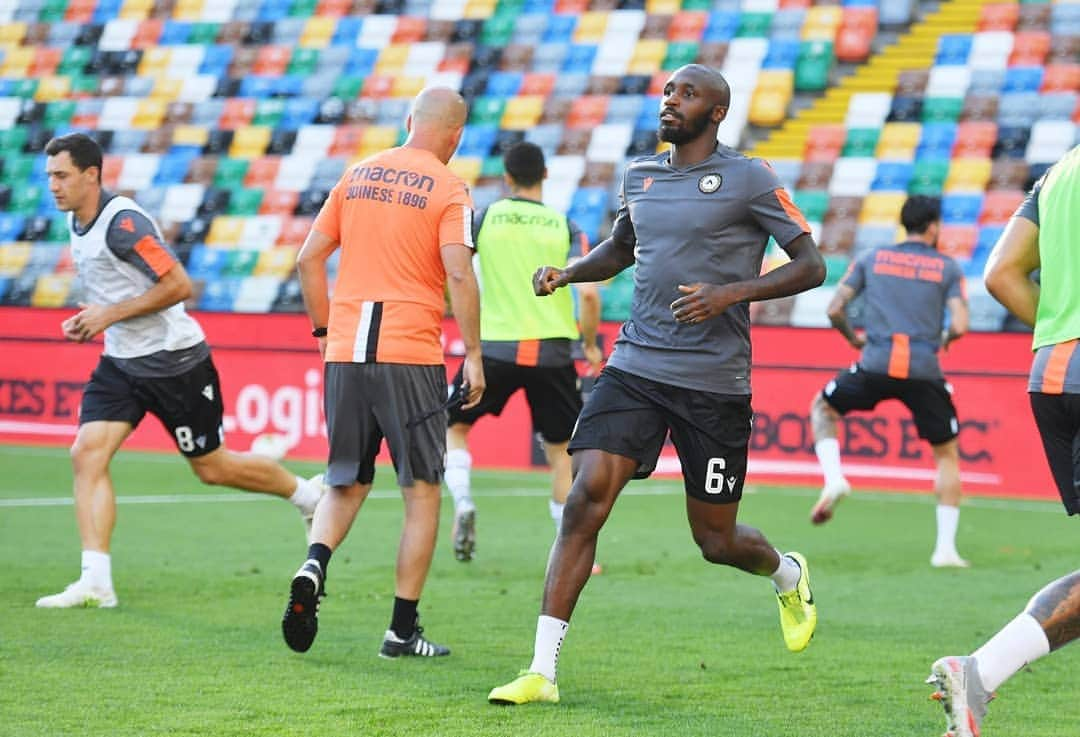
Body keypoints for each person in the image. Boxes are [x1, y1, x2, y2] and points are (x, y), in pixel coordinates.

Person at [487, 64, 825, 705]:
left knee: (715, 540)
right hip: (636, 366)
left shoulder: (750, 176)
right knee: (586, 499)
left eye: (688, 93)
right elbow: (621, 248)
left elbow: (812, 265)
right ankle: (541, 671)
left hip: (714, 385)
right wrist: (569, 273)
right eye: (669, 91)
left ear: (717, 112)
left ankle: (786, 571)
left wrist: (732, 292)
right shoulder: (639, 174)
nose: (672, 101)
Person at [36, 132, 325, 609]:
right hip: (121, 364)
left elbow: (178, 284)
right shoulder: (76, 220)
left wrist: (109, 314)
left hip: (176, 365)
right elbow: (120, 292)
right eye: (49, 176)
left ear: (91, 174)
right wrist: (96, 315)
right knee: (86, 454)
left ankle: (306, 495)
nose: (53, 185)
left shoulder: (124, 223)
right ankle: (96, 581)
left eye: (62, 175)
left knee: (212, 468)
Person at [281, 87, 484, 659]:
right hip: (409, 352)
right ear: (456, 136)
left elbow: (307, 259)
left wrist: (324, 332)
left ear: (408, 121)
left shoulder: (359, 172)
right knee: (422, 492)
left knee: (345, 480)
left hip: (346, 351)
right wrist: (471, 352)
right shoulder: (449, 187)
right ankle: (401, 630)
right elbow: (460, 277)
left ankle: (313, 564)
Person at [928, 145, 1080, 736]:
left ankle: (979, 674)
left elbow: (999, 273)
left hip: (1054, 372)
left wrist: (1064, 334)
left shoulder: (1062, 169)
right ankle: (979, 671)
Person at [444, 141, 602, 566]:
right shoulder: (564, 225)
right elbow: (587, 295)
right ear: (545, 176)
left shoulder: (485, 218)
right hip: (552, 351)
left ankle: (462, 501)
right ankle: (570, 551)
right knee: (560, 452)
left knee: (452, 427)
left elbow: (456, 273)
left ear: (507, 178)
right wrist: (588, 343)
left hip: (494, 346)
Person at [808, 195, 971, 568]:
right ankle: (945, 549)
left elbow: (834, 308)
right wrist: (942, 341)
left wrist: (853, 338)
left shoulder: (872, 259)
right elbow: (960, 325)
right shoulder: (947, 268)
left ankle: (834, 478)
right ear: (933, 226)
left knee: (823, 407)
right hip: (923, 369)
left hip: (876, 363)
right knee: (946, 454)